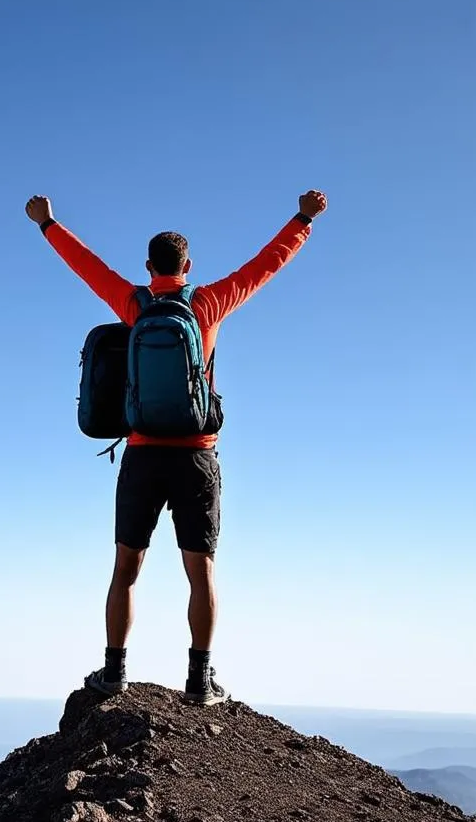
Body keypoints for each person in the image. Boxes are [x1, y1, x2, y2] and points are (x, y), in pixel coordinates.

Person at [25, 189, 327, 705]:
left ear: (149, 266)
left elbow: (86, 266)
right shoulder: (209, 302)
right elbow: (265, 265)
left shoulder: (133, 303)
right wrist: (302, 219)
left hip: (142, 454)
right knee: (200, 570)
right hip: (196, 455)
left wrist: (48, 224)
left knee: (126, 568)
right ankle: (199, 679)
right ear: (188, 265)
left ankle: (113, 672)